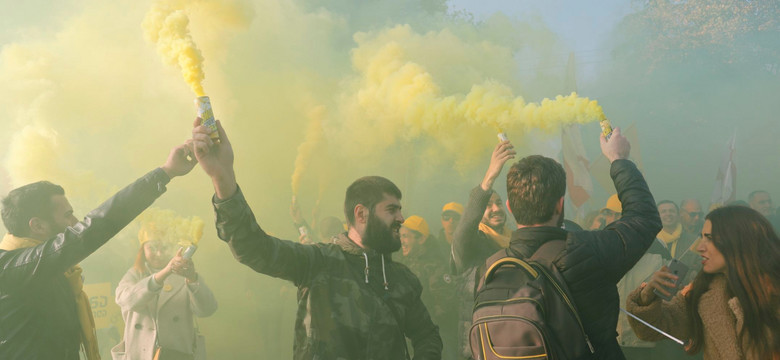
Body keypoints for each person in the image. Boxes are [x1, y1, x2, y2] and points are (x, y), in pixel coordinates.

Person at [191, 120, 442, 360]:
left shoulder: (401, 279)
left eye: (400, 210)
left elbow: (428, 336)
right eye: (392, 210)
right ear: (361, 213)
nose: (401, 218)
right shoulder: (318, 262)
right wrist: (222, 177)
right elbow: (252, 247)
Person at [0, 141, 196, 359]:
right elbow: (95, 228)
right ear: (37, 226)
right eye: (67, 215)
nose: (75, 223)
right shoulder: (11, 268)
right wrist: (165, 173)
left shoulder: (54, 270)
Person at [496, 127, 661, 359]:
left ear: (509, 208)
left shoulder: (491, 269)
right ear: (560, 205)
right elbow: (644, 218)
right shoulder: (589, 251)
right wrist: (618, 159)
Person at [626, 206, 780, 359]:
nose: (700, 247)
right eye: (702, 237)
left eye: (710, 238)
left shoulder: (774, 293)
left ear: (739, 239)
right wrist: (648, 297)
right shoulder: (703, 293)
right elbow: (652, 329)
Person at [111, 209, 218, 360]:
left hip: (177, 355)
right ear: (142, 249)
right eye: (153, 248)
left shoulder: (185, 276)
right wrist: (165, 272)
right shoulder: (134, 274)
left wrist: (192, 279)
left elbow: (207, 310)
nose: (159, 254)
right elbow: (126, 301)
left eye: (164, 248)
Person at [450, 140, 515, 359]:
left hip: (510, 343)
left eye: (498, 203)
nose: (496, 209)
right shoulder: (470, 244)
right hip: (477, 348)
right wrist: (489, 180)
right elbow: (462, 232)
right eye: (488, 205)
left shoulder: (514, 241)